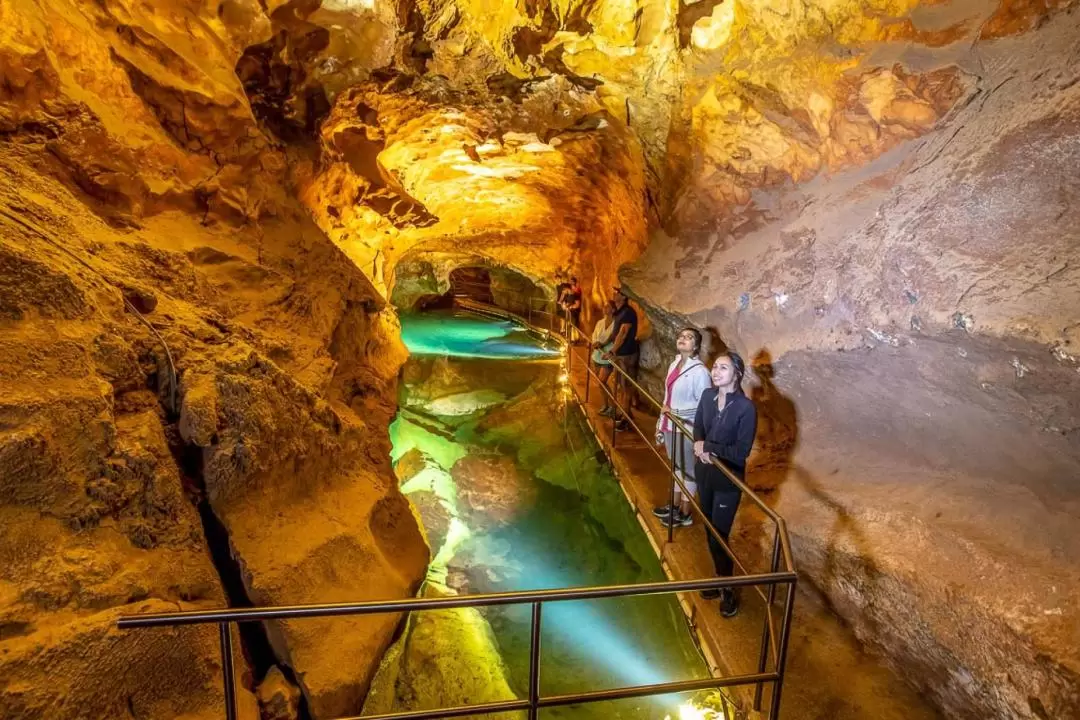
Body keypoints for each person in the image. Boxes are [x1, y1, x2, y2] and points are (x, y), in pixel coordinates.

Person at [693, 351, 757, 618]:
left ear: (737, 374)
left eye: (723, 368)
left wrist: (708, 446)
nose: (716, 372)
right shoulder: (708, 396)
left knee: (719, 534)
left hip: (727, 480)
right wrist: (700, 445)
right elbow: (698, 426)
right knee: (709, 531)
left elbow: (741, 451)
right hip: (705, 474)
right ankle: (719, 579)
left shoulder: (745, 408)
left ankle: (727, 589)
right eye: (715, 367)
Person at [652, 328, 711, 528]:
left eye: (689, 337)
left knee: (688, 470)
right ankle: (674, 506)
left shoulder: (700, 372)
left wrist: (675, 412)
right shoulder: (675, 363)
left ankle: (686, 512)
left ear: (696, 346)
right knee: (676, 467)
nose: (683, 339)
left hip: (686, 428)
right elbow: (666, 398)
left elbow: (704, 405)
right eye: (681, 336)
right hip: (670, 425)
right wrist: (660, 424)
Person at [597, 287, 639, 430]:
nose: (614, 294)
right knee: (622, 385)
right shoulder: (620, 312)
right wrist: (603, 344)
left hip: (626, 354)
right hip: (621, 354)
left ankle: (626, 420)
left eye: (617, 292)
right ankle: (626, 414)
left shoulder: (628, 312)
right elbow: (615, 333)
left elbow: (623, 333)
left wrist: (612, 351)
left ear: (624, 297)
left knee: (626, 387)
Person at [591, 302, 617, 413]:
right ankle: (605, 404)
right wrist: (595, 342)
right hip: (597, 355)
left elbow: (614, 339)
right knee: (599, 383)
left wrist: (601, 344)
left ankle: (612, 406)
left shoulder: (616, 324)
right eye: (604, 306)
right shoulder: (600, 322)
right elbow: (594, 335)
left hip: (607, 356)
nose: (604, 308)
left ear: (613, 310)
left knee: (602, 382)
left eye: (607, 307)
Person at [559, 276, 583, 340]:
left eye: (564, 290)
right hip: (570, 313)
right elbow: (566, 301)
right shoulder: (569, 295)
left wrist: (570, 307)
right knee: (571, 325)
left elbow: (577, 304)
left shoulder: (575, 294)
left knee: (575, 326)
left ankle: (576, 339)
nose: (564, 292)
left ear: (567, 289)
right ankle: (573, 339)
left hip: (575, 312)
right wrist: (564, 304)